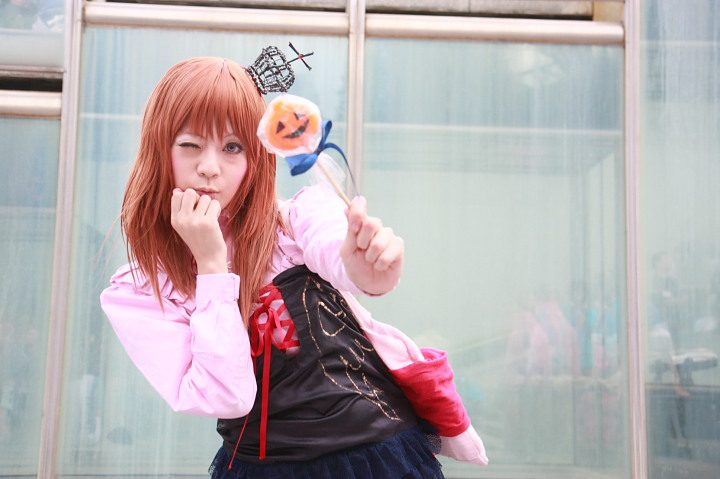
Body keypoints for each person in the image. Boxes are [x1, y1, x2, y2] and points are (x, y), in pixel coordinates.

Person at [100, 56, 487, 478]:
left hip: (375, 459)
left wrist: (365, 267)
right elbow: (226, 396)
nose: (209, 167)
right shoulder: (139, 292)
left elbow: (337, 254)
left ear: (256, 157)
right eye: (190, 144)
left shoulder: (295, 222)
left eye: (233, 147)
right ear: (160, 149)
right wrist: (212, 266)